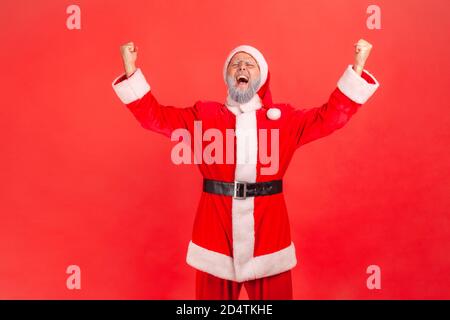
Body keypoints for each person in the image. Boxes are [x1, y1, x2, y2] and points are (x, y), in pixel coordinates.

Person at [111, 40, 380, 299]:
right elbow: (154, 118)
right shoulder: (203, 116)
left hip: (269, 236)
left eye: (249, 65)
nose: (241, 68)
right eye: (235, 64)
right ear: (226, 76)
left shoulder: (283, 120)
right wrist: (130, 69)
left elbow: (330, 118)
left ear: (261, 77)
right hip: (214, 235)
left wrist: (357, 68)